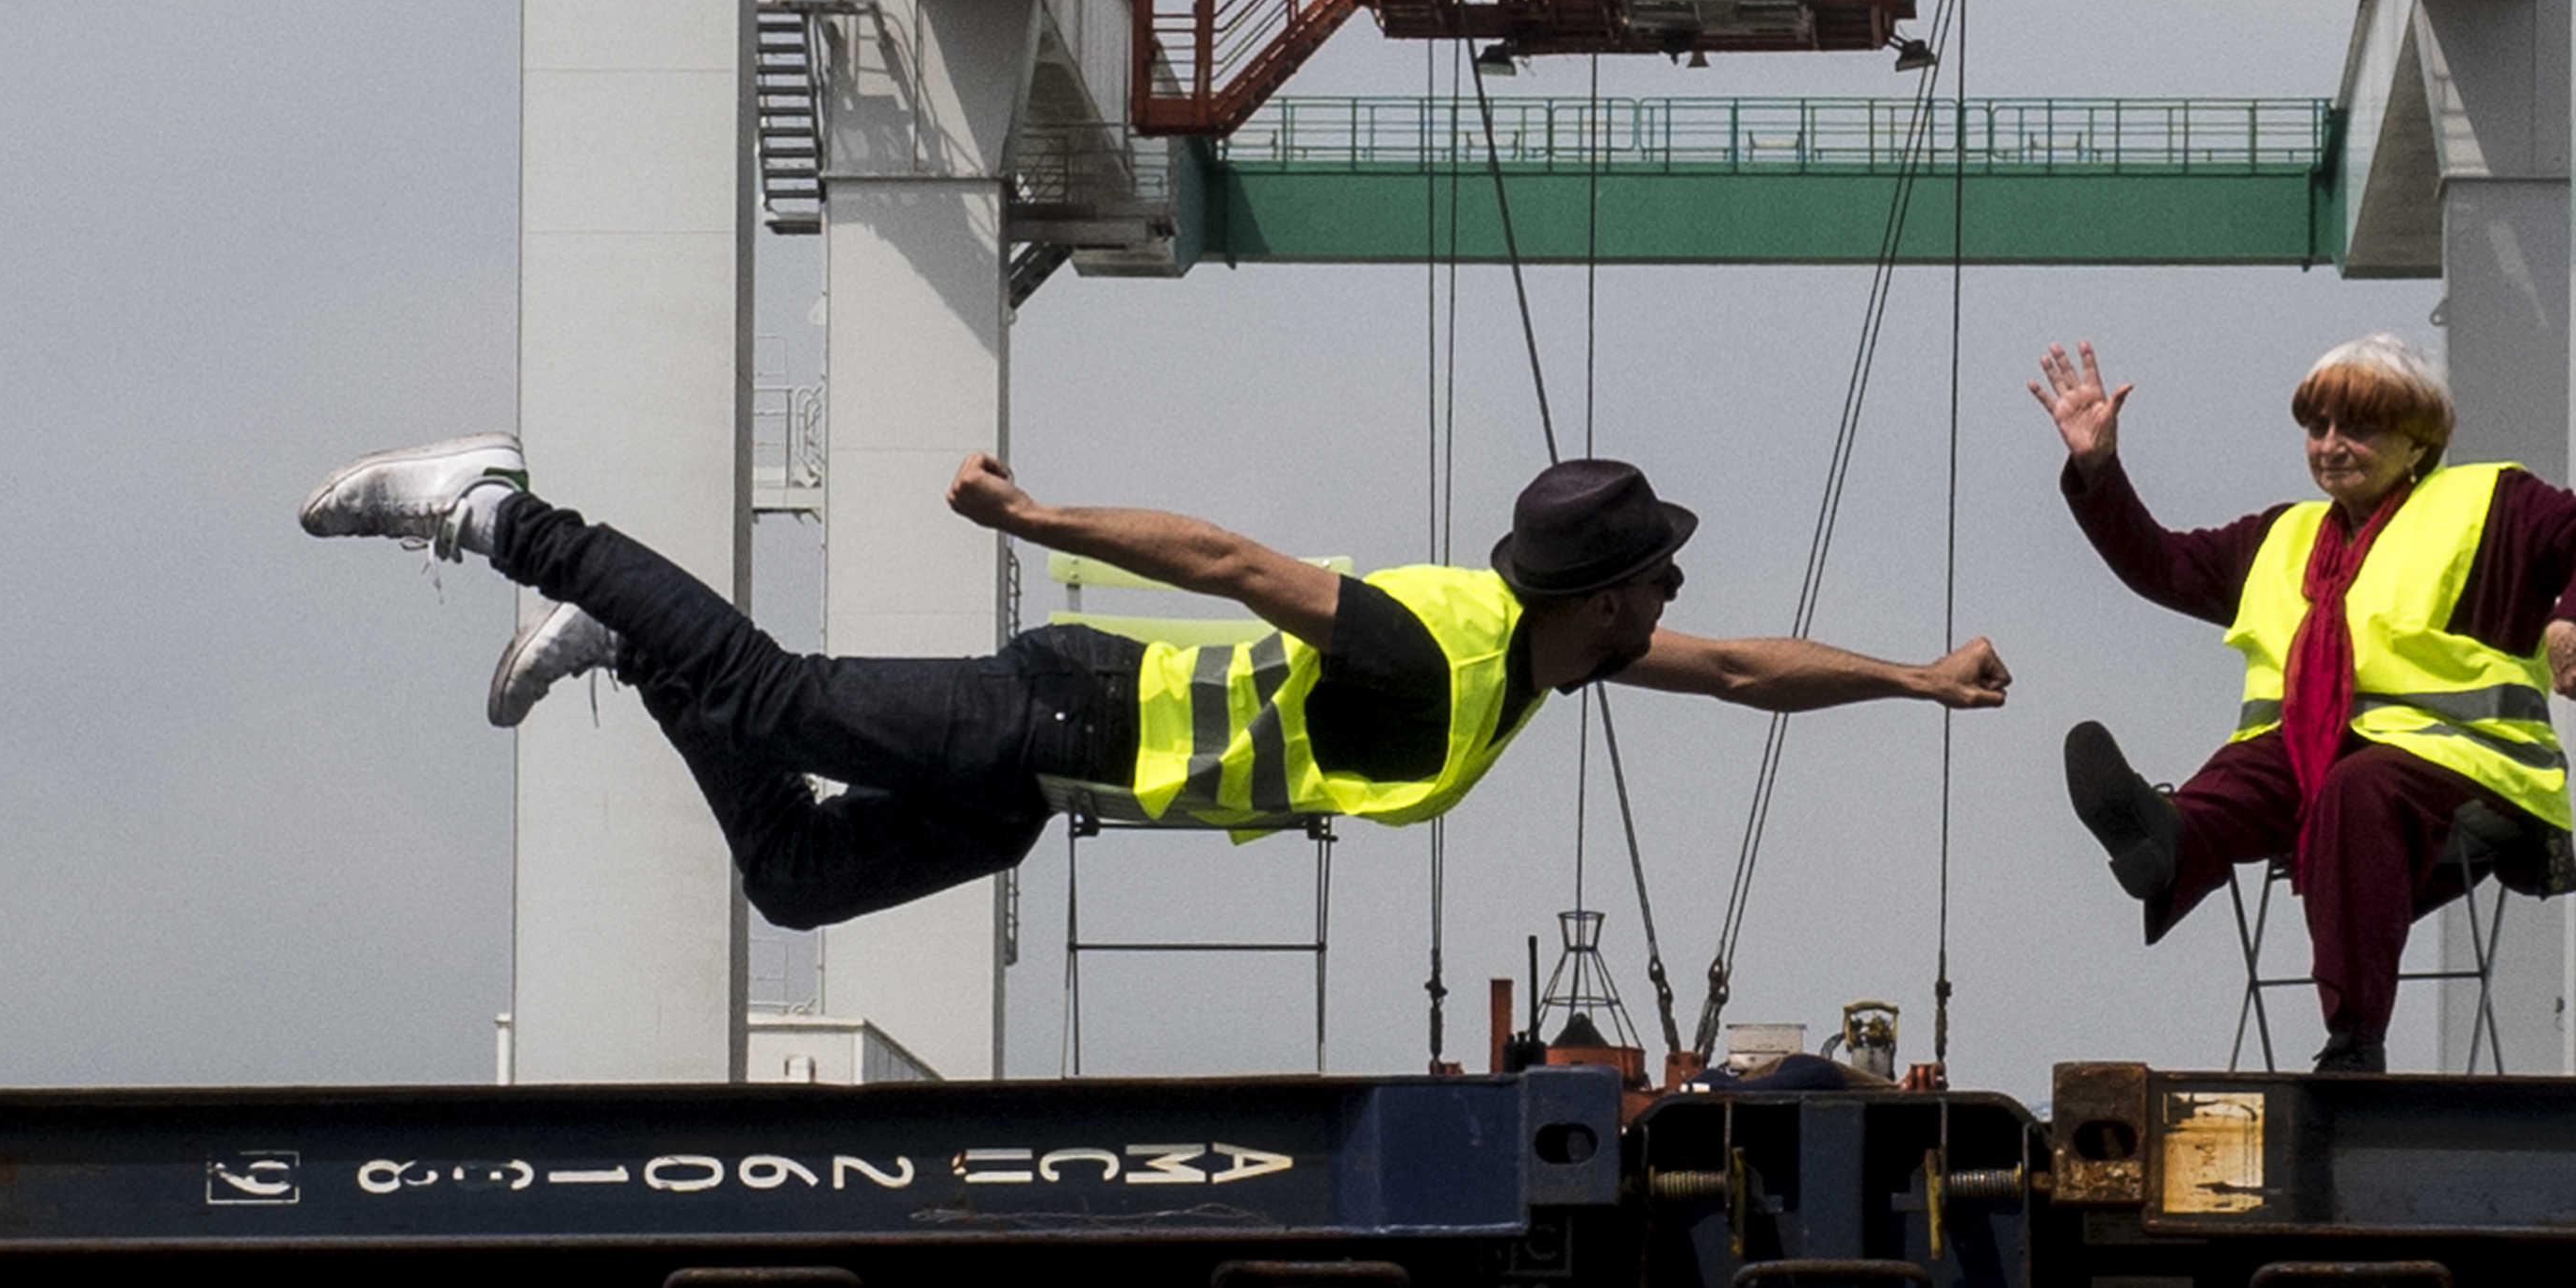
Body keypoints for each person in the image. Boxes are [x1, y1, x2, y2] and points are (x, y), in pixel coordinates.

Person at [303, 433, 2010, 934]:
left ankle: (626, 651)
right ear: (1600, 590)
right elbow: (1237, 562)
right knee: (777, 691)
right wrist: (1036, 514)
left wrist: (1915, 679)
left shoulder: (1568, 658)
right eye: (1660, 574)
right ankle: (497, 511)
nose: (1682, 598)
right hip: (1068, 711)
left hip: (1057, 787)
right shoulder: (1444, 644)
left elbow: (1748, 673)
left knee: (798, 878)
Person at [2026, 334, 2576, 1074]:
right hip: (2305, 756)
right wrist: (2098, 468)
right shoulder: (2278, 537)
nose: (2330, 445)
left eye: (2356, 427)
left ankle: (2355, 1039)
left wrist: (2572, 623)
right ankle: (2166, 838)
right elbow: (2160, 563)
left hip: (2460, 758)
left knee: (2352, 791)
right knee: (2249, 775)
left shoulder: (2493, 503)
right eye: (2316, 426)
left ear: (2419, 437)